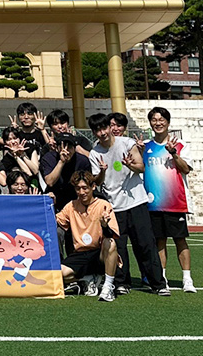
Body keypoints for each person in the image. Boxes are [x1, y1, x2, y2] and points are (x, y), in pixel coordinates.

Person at [88, 112, 169, 296]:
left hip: (136, 202)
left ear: (110, 127)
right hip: (114, 206)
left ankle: (158, 283)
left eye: (104, 128)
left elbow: (141, 167)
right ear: (94, 132)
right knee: (119, 247)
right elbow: (97, 181)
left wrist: (130, 165)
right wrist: (101, 171)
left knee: (145, 244)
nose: (102, 133)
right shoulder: (95, 153)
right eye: (97, 130)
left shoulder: (126, 143)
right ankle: (122, 283)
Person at [144, 106, 196, 292]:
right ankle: (161, 278)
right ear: (150, 123)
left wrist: (173, 153)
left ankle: (187, 279)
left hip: (176, 202)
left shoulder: (180, 145)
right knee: (159, 241)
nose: (158, 123)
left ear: (168, 122)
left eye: (161, 120)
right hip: (153, 204)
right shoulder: (145, 146)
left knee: (180, 240)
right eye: (154, 120)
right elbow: (138, 169)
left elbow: (186, 169)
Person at [55, 171, 119, 302]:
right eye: (78, 188)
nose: (81, 192)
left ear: (93, 187)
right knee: (58, 275)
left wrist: (104, 225)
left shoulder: (103, 205)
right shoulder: (71, 206)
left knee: (111, 243)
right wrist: (44, 204)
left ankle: (108, 287)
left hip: (99, 253)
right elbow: (54, 222)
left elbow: (111, 234)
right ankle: (88, 278)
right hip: (80, 253)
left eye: (85, 188)